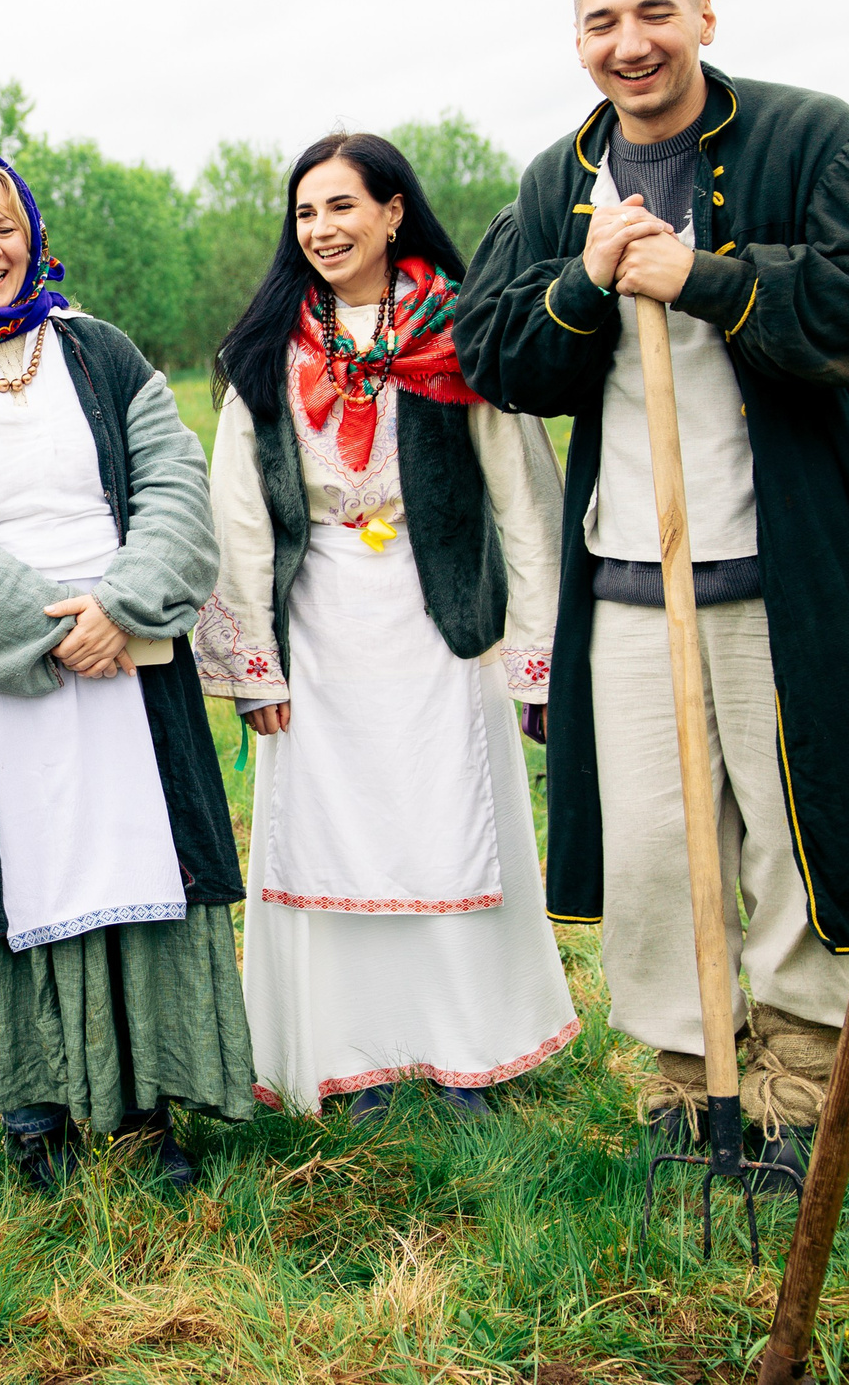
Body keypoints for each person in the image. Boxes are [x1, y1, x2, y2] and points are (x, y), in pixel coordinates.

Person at [452, 0, 849, 1181]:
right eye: (601, 22)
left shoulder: (813, 140)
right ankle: (685, 1071)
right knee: (656, 843)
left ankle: (795, 1078)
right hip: (628, 583)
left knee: (789, 823)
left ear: (705, 16)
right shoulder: (558, 183)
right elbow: (494, 352)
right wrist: (585, 284)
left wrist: (704, 276)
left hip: (784, 569)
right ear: (578, 40)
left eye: (653, 12)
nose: (629, 42)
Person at [0, 148, 254, 1191]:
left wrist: (119, 609)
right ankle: (38, 1113)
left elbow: (174, 481)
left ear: (31, 231)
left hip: (127, 655)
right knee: (19, 873)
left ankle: (146, 1106)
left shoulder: (103, 352)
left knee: (137, 862)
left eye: (2, 227)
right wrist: (52, 628)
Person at [196, 132, 577, 1122]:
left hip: (443, 617)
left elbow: (524, 500)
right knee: (330, 834)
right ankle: (348, 1057)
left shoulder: (459, 332)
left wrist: (536, 656)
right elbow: (236, 513)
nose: (320, 229)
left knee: (451, 824)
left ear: (393, 211)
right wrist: (255, 664)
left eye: (341, 207)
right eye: (305, 212)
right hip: (318, 620)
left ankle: (465, 1055)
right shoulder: (268, 350)